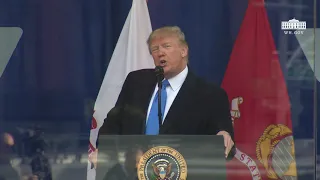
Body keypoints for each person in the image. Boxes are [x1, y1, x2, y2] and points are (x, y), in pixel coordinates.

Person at [99, 26, 235, 159]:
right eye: (155, 49)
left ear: (184, 51)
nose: (160, 53)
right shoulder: (136, 82)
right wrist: (104, 149)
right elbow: (113, 123)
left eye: (166, 46)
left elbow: (225, 140)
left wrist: (223, 136)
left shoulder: (210, 95)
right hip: (132, 171)